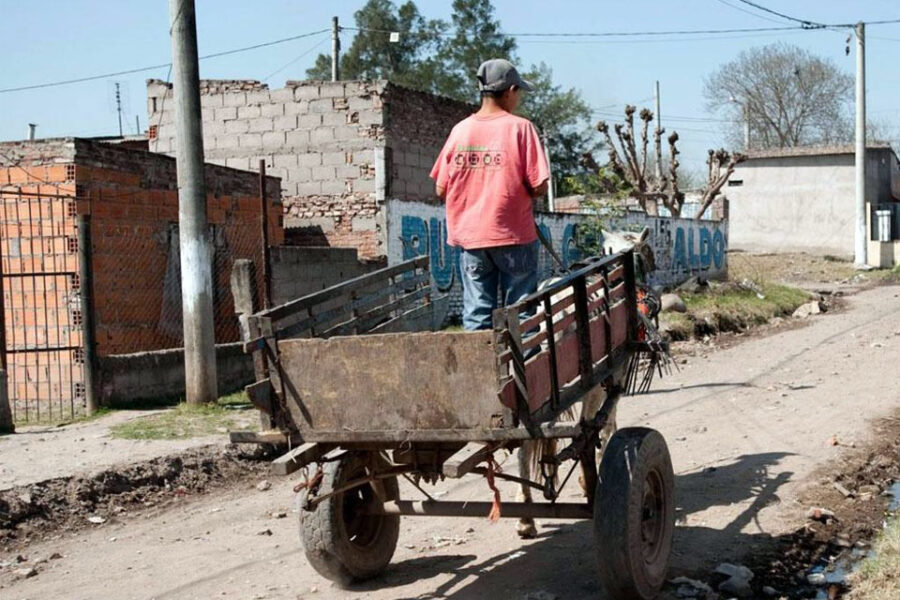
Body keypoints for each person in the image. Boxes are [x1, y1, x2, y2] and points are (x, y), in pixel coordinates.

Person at [430, 58, 549, 331]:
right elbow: (539, 185)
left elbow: (440, 188)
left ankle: (483, 372)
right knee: (520, 313)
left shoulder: (460, 131)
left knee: (477, 314)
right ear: (510, 91)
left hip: (472, 242)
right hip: (513, 237)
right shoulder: (521, 128)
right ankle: (523, 372)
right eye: (519, 92)